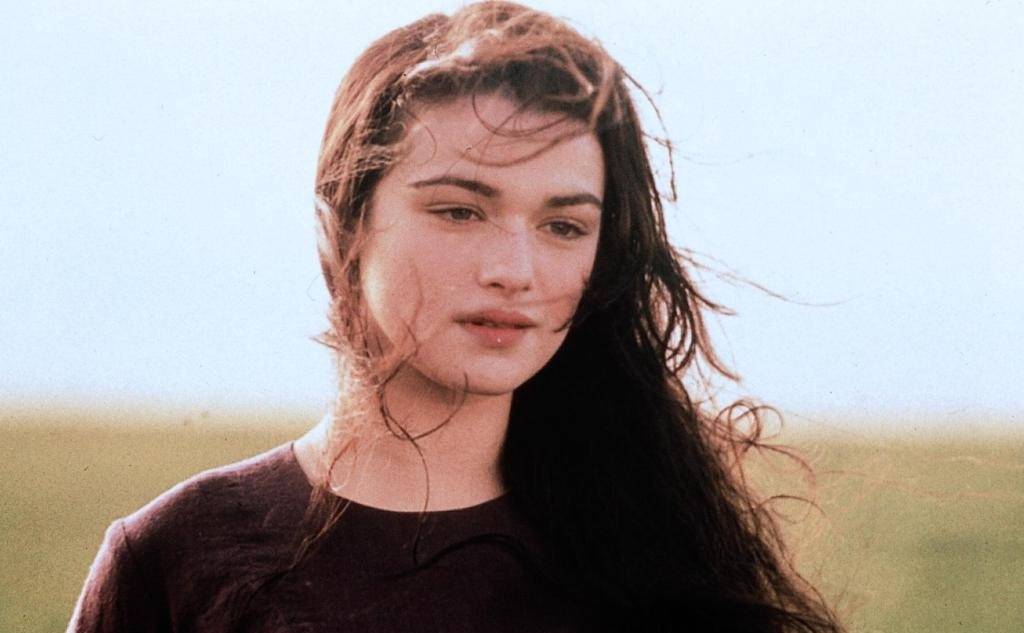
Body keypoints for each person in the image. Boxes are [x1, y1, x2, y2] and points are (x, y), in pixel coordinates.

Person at [69, 2, 843, 631]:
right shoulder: (176, 557)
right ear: (342, 231)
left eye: (564, 225)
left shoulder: (661, 554)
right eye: (460, 211)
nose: (515, 269)